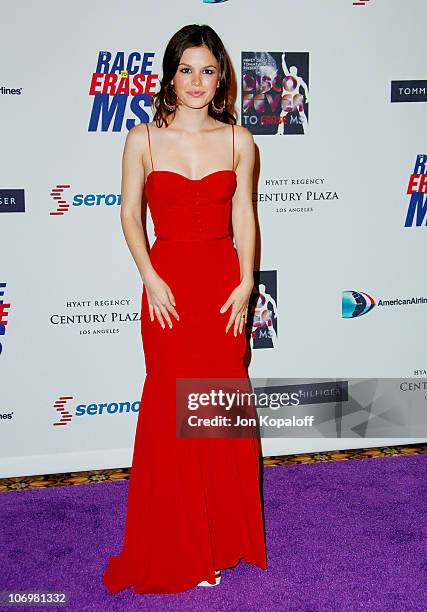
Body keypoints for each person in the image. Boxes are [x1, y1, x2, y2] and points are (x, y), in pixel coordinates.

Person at [102, 23, 267, 595]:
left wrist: (247, 282)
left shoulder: (239, 140)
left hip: (222, 285)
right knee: (172, 405)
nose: (196, 81)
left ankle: (220, 537)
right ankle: (181, 544)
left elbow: (245, 214)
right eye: (186, 69)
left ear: (221, 77)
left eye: (208, 70)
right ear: (170, 73)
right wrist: (150, 276)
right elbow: (128, 215)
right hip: (168, 286)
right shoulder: (142, 139)